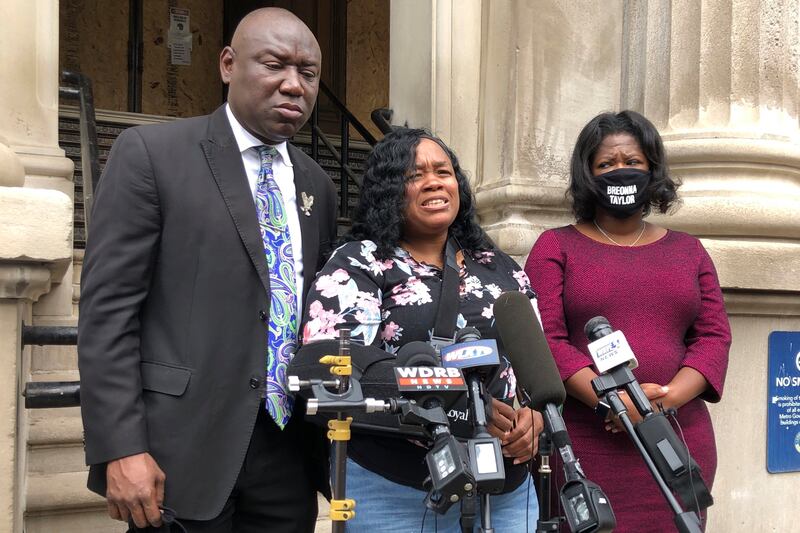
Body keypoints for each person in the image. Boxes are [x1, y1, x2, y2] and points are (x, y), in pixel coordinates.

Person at [77, 8, 337, 532]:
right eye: (274, 65)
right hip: (180, 452)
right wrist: (121, 447)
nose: (293, 85)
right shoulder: (152, 154)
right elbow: (107, 314)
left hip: (287, 454)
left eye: (307, 73)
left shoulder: (318, 186)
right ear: (227, 64)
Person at [300, 128, 543, 532]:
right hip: (396, 489)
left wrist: (534, 416)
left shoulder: (496, 265)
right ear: (388, 191)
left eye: (443, 171)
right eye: (414, 175)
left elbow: (535, 361)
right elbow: (339, 367)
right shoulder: (361, 263)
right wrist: (463, 409)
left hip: (503, 488)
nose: (433, 181)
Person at [524, 110, 731, 532]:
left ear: (652, 170)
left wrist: (662, 402)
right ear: (588, 174)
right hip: (587, 442)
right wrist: (614, 404)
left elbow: (713, 337)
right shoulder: (555, 247)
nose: (621, 171)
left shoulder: (689, 250)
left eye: (632, 162)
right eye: (606, 164)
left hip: (676, 439)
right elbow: (546, 340)